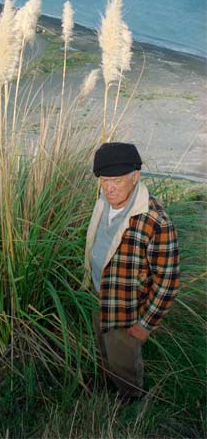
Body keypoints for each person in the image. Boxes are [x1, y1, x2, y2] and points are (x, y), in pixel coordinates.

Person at [84, 142, 180, 400]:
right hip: (100, 296)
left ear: (135, 176)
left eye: (116, 180)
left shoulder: (155, 221)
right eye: (104, 180)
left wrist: (145, 324)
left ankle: (131, 405)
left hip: (128, 311)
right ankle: (108, 388)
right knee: (105, 353)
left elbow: (168, 280)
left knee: (124, 363)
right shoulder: (104, 201)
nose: (109, 187)